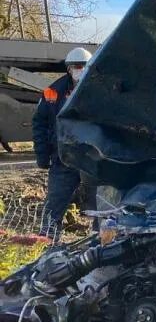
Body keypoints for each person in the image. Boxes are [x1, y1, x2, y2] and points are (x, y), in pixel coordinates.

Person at [33, 47, 94, 239]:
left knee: (103, 208)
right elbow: (40, 124)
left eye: (84, 66)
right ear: (68, 69)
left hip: (93, 160)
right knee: (54, 205)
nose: (80, 70)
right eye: (76, 67)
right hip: (63, 159)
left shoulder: (100, 91)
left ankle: (102, 244)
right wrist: (42, 156)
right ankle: (47, 245)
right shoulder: (53, 92)